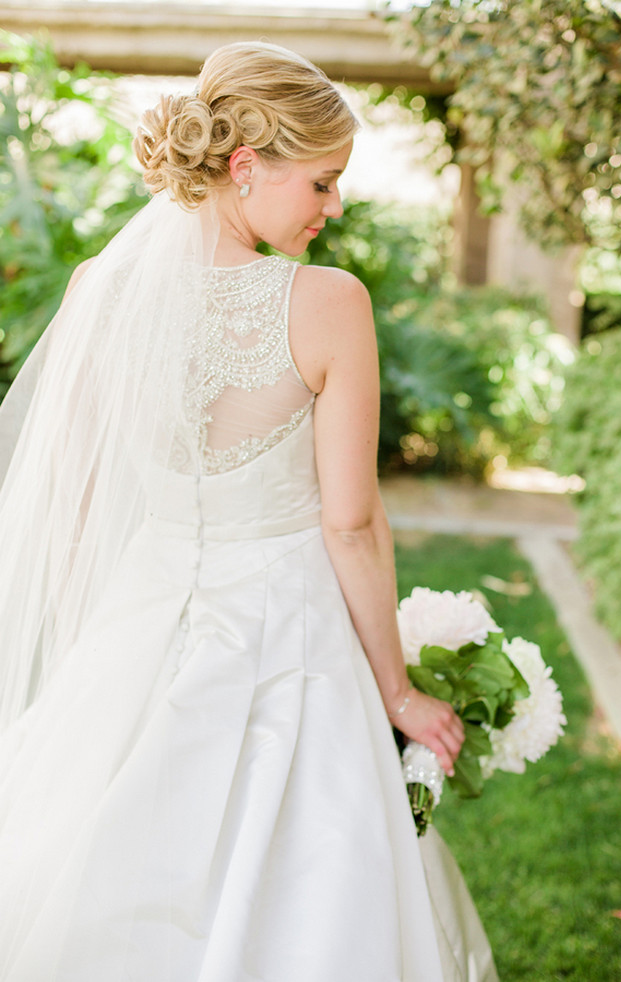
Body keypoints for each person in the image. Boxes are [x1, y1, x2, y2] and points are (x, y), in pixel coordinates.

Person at [0, 41, 498, 981]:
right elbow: (351, 525)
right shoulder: (325, 304)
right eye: (322, 183)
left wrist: (85, 650)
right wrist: (396, 691)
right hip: (286, 634)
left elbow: (74, 492)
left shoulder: (98, 291)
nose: (334, 208)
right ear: (243, 165)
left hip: (136, 620)